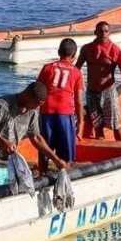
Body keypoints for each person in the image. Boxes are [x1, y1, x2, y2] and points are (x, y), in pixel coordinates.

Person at [0, 82, 69, 189]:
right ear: (27, 96)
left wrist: (56, 160)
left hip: (10, 163)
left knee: (10, 194)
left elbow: (36, 137)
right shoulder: (2, 105)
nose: (36, 108)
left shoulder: (32, 112)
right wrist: (2, 142)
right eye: (36, 104)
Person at [76, 21, 121, 141]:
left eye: (106, 31)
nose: (103, 34)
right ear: (95, 32)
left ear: (109, 33)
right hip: (92, 93)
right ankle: (100, 142)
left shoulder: (115, 50)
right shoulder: (86, 49)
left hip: (108, 92)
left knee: (116, 124)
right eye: (100, 31)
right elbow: (77, 68)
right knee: (97, 124)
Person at [37, 38, 83, 171]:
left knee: (45, 147)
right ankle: (65, 174)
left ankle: (42, 173)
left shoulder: (47, 68)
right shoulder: (76, 72)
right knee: (67, 153)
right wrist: (80, 122)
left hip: (47, 112)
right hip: (65, 114)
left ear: (58, 52)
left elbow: (38, 90)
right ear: (74, 56)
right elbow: (79, 100)